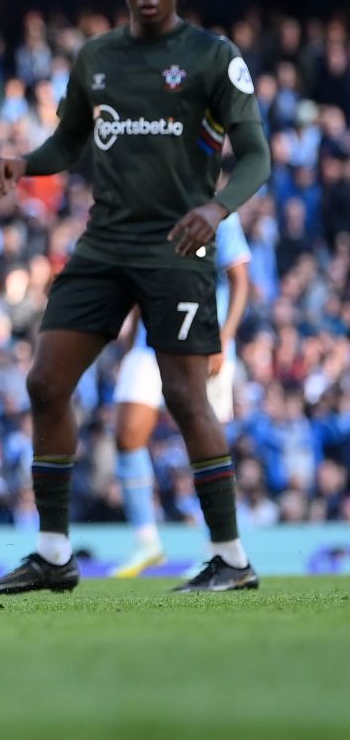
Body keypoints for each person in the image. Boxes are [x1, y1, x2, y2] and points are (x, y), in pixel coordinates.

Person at [0, 0, 270, 596]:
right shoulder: (98, 58)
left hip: (176, 248)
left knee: (185, 395)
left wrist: (219, 208)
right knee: (46, 383)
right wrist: (26, 162)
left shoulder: (212, 57)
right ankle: (53, 554)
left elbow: (256, 155)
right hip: (104, 245)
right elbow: (71, 140)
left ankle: (230, 556)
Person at [110, 213, 250, 578]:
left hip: (203, 337)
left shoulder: (219, 213)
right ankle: (146, 541)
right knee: (127, 432)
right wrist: (128, 339)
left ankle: (218, 546)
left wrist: (226, 335)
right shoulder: (145, 206)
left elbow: (240, 279)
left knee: (204, 439)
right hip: (151, 339)